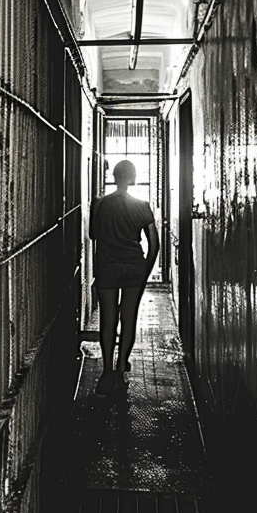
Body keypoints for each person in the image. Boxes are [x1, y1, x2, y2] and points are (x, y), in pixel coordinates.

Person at [89, 159, 159, 394]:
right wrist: (145, 272)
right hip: (133, 268)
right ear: (131, 177)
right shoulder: (142, 205)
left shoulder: (100, 205)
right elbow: (154, 244)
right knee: (128, 318)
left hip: (107, 266)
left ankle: (107, 370)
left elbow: (93, 235)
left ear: (114, 176)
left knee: (108, 319)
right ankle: (121, 368)